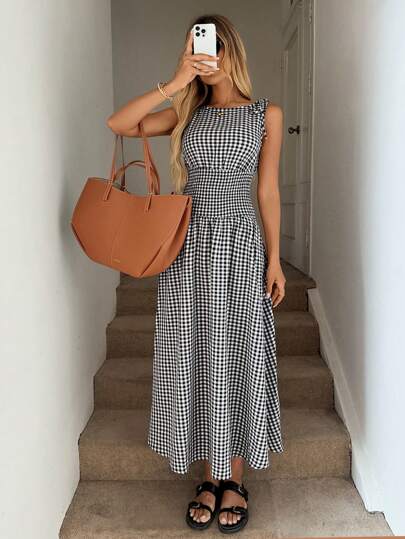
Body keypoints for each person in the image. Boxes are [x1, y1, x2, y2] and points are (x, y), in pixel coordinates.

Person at [107, 13, 286, 535]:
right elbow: (119, 125)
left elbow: (267, 190)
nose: (203, 54)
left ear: (230, 50)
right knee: (194, 352)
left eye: (208, 46)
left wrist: (275, 259)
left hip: (241, 245)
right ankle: (208, 477)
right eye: (193, 46)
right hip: (187, 246)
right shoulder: (185, 111)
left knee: (238, 351)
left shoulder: (266, 114)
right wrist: (175, 82)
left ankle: (234, 479)